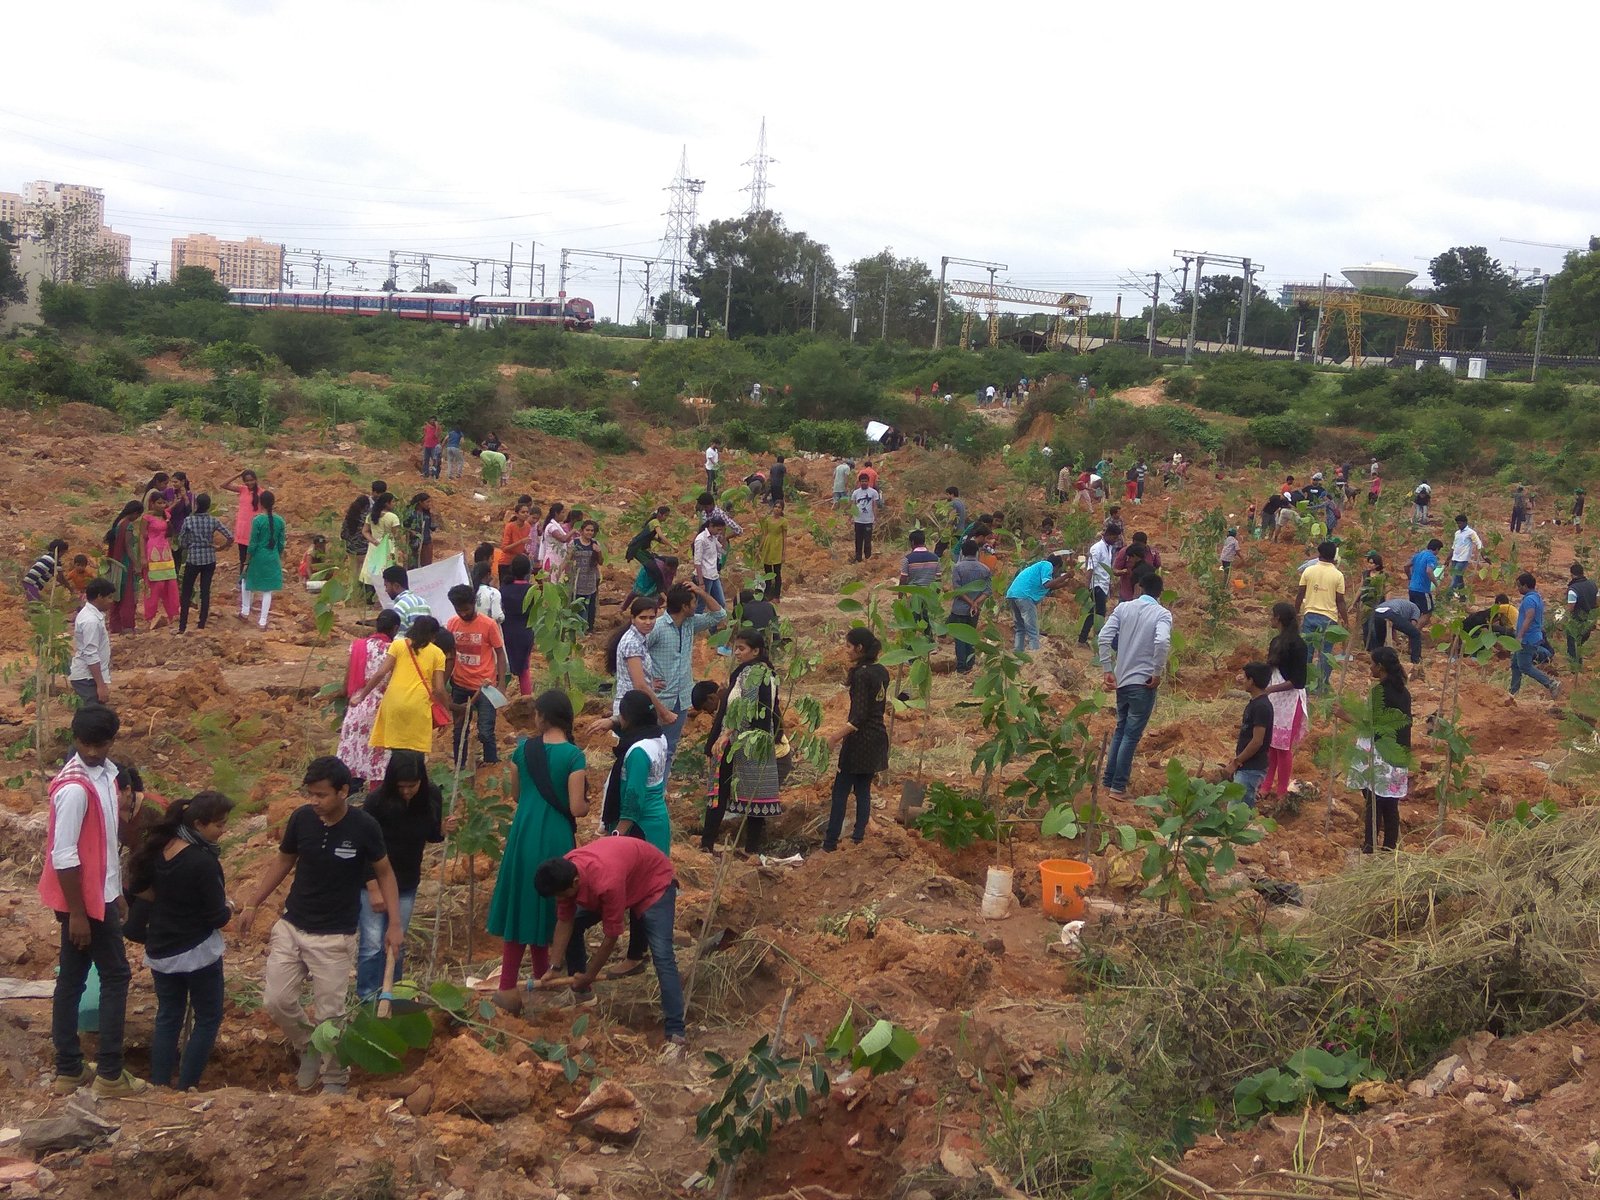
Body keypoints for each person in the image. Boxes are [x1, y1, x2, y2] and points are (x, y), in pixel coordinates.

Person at [237, 757, 403, 1094]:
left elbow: (384, 872)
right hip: (293, 925)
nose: (314, 802)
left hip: (335, 936)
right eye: (310, 794)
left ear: (344, 792)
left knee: (332, 1014)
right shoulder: (301, 819)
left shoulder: (364, 827)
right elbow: (284, 860)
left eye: (321, 795)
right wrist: (253, 902)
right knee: (276, 1001)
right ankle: (307, 1044)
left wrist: (394, 924)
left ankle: (334, 1079)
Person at [42, 705, 147, 1098]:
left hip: (97, 895)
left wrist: (115, 890)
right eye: (85, 744)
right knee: (116, 975)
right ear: (75, 738)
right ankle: (109, 1074)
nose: (91, 751)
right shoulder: (72, 788)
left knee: (71, 976)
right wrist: (79, 915)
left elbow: (102, 840)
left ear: (110, 742)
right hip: (81, 902)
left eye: (99, 744)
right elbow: (63, 854)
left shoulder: (107, 775)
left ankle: (69, 1068)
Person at [126, 790, 234, 1090]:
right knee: (208, 1017)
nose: (223, 830)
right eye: (219, 824)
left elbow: (141, 891)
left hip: (161, 949)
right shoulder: (203, 862)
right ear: (199, 824)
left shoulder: (161, 850)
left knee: (168, 1016)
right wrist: (230, 908)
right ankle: (187, 1085)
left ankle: (159, 1083)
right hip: (198, 951)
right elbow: (217, 917)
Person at [489, 690, 589, 1012]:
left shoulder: (522, 751)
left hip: (524, 832)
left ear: (541, 717)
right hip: (556, 837)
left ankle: (507, 986)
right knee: (553, 909)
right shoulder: (574, 756)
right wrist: (587, 801)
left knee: (522, 904)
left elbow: (517, 796)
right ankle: (543, 982)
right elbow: (577, 808)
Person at [532, 839, 683, 1044]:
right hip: (623, 875)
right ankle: (581, 993)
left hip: (653, 882)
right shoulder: (565, 870)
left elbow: (611, 935)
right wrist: (554, 966)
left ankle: (676, 1031)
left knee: (663, 956)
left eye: (560, 895)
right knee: (575, 924)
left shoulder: (606, 882)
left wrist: (590, 974)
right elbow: (565, 920)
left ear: (575, 883)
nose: (560, 899)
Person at [357, 752, 451, 999]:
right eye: (401, 787)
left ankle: (391, 994)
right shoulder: (377, 802)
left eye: (412, 786)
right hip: (373, 881)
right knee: (372, 944)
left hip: (406, 881)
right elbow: (363, 847)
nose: (407, 792)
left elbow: (431, 834)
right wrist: (373, 887)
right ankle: (367, 997)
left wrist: (443, 830)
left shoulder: (431, 796)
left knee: (396, 942)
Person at [701, 630, 782, 854]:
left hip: (741, 741)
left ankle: (707, 845)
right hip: (761, 740)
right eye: (735, 648)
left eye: (741, 649)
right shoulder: (767, 672)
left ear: (755, 651)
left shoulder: (752, 672)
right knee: (756, 795)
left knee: (719, 790)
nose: (736, 653)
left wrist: (726, 734)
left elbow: (744, 708)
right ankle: (751, 850)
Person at [1097, 572, 1172, 798]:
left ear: (1139, 588)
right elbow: (1162, 640)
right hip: (1143, 683)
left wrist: (1107, 669)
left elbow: (1103, 637)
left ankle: (1108, 781)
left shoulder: (1123, 609)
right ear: (1160, 593)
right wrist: (1156, 672)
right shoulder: (1162, 614)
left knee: (1121, 730)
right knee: (1130, 735)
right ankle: (1118, 787)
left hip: (1122, 680)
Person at [646, 582, 726, 768]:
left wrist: (700, 592)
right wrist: (647, 679)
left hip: (681, 699)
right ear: (684, 607)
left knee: (669, 749)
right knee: (650, 747)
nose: (695, 605)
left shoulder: (690, 623)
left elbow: (719, 614)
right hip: (658, 698)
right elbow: (636, 653)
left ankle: (660, 792)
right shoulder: (657, 628)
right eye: (693, 601)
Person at [824, 627, 889, 851]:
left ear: (859, 648)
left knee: (840, 791)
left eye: (848, 646)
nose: (846, 650)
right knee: (863, 789)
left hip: (860, 741)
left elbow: (859, 716)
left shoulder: (862, 674)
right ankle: (858, 839)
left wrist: (835, 736)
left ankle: (830, 843)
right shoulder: (881, 671)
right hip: (877, 737)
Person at [352, 615, 452, 760]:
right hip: (419, 705)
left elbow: (381, 673)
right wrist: (446, 712)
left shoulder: (398, 645)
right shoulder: (437, 654)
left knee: (396, 753)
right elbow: (440, 689)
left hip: (394, 703)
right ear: (432, 635)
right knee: (416, 754)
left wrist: (362, 695)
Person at [1346, 647, 1412, 853]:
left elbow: (1369, 724)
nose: (1370, 668)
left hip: (1381, 751)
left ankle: (1369, 847)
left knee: (1373, 802)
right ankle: (1389, 848)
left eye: (1372, 664)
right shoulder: (1403, 691)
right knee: (1390, 804)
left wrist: (1343, 715)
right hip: (1398, 751)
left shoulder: (1380, 692)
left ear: (1380, 667)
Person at [447, 582, 509, 767]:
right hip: (459, 684)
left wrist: (501, 684)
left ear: (474, 603)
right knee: (459, 730)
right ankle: (460, 765)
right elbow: (448, 654)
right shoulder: (452, 624)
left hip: (485, 687)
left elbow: (499, 652)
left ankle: (491, 764)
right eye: (459, 610)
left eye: (466, 609)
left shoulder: (488, 625)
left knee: (486, 731)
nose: (463, 614)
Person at [339, 610, 402, 790]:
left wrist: (350, 699)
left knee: (353, 752)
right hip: (382, 706)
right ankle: (376, 793)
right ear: (395, 628)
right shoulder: (394, 650)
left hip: (358, 703)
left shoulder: (358, 646)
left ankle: (350, 791)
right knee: (379, 756)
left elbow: (347, 679)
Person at [1262, 602, 1309, 804]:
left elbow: (1298, 681)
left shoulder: (1298, 645)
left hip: (1289, 700)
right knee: (1272, 746)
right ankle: (1265, 786)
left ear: (1278, 619)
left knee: (1283, 748)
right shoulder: (1276, 642)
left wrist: (1271, 689)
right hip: (1275, 697)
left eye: (1272, 616)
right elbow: (1269, 669)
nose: (1270, 619)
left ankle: (1281, 791)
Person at [608, 597, 675, 726]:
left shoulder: (639, 638)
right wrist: (664, 712)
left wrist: (649, 682)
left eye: (652, 618)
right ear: (633, 619)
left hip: (636, 704)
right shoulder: (632, 643)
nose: (648, 622)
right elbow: (639, 685)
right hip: (631, 708)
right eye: (643, 618)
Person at [1297, 541, 1349, 693]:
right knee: (1325, 654)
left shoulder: (1309, 571)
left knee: (1306, 652)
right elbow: (1340, 601)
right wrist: (1345, 620)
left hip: (1309, 615)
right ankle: (1321, 686)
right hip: (1329, 619)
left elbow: (1300, 594)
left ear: (1319, 553)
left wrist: (1295, 613)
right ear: (1334, 556)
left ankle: (1304, 685)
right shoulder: (1338, 575)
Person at [1006, 551, 1073, 654]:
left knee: (1020, 628)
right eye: (1058, 569)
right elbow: (1047, 585)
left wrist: (1065, 584)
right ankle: (1035, 655)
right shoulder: (1047, 565)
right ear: (1056, 566)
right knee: (1033, 630)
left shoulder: (1039, 568)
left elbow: (1049, 587)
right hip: (1025, 596)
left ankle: (1018, 653)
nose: (1056, 572)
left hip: (1013, 594)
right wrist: (1065, 576)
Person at [1228, 663, 1275, 808]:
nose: (1242, 680)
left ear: (1252, 681)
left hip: (1251, 768)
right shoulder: (1256, 704)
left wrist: (1237, 761)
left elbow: (1257, 741)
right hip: (1247, 766)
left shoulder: (1261, 707)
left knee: (1238, 811)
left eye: (1245, 677)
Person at [237, 490, 285, 630]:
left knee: (246, 580)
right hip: (273, 556)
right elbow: (281, 543)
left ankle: (245, 611)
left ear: (260, 503)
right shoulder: (280, 521)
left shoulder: (257, 520)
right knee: (267, 590)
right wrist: (277, 554)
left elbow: (252, 544)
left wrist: (247, 560)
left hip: (258, 556)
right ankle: (262, 621)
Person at [1511, 572, 1559, 699]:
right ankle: (1512, 693)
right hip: (1532, 636)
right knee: (1515, 665)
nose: (1518, 589)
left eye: (1519, 586)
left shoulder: (1529, 600)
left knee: (1525, 667)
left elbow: (1529, 617)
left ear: (1526, 586)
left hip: (1527, 639)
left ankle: (1551, 683)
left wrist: (1520, 636)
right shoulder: (1536, 596)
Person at [68, 579, 117, 705]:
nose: (111, 602)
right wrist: (100, 685)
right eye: (109, 597)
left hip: (88, 677)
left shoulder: (91, 615)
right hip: (87, 678)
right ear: (99, 597)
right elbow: (91, 653)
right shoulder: (91, 621)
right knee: (93, 717)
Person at [948, 539, 992, 674]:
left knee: (960, 638)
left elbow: (957, 590)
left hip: (960, 609)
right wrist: (976, 603)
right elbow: (987, 591)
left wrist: (969, 602)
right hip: (975, 610)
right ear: (977, 552)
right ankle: (970, 664)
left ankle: (961, 667)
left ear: (963, 552)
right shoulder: (985, 569)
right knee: (971, 636)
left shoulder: (958, 567)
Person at [104, 501, 144, 634]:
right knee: (127, 595)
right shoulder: (128, 526)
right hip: (125, 564)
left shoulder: (119, 523)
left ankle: (115, 626)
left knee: (117, 595)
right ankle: (127, 625)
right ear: (135, 513)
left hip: (116, 563)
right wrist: (136, 565)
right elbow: (128, 547)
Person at [500, 555, 536, 695]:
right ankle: (527, 700)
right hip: (525, 632)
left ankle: (500, 699)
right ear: (528, 571)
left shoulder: (503, 589)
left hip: (506, 631)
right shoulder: (532, 590)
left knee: (504, 666)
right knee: (524, 669)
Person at [1078, 530, 1116, 646]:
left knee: (1095, 613)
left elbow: (1106, 567)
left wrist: (1109, 583)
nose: (1115, 541)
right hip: (1096, 585)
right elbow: (1091, 567)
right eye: (1114, 538)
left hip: (1103, 584)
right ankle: (1092, 639)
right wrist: (1087, 585)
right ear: (1108, 535)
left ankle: (1084, 639)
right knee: (1099, 614)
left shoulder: (1109, 548)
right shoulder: (1097, 548)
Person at [564, 520, 603, 631]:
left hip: (591, 578)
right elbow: (568, 560)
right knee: (577, 603)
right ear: (582, 531)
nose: (590, 533)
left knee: (590, 605)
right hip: (577, 579)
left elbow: (601, 562)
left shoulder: (595, 544)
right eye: (587, 530)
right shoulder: (574, 543)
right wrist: (562, 574)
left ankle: (589, 628)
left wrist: (599, 552)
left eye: (592, 531)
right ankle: (576, 628)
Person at [222, 469, 263, 574]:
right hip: (242, 529)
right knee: (243, 558)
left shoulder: (262, 493)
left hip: (254, 529)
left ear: (256, 479)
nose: (249, 483)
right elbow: (223, 484)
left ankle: (253, 580)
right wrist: (239, 474)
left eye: (251, 480)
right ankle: (243, 581)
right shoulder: (242, 489)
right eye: (246, 480)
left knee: (254, 557)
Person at [360, 493, 403, 590]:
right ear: (387, 504)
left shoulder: (371, 516)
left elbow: (365, 531)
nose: (394, 504)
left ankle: (369, 592)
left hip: (375, 545)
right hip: (389, 544)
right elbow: (397, 535)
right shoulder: (393, 517)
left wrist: (374, 541)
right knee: (387, 567)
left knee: (372, 567)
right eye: (393, 502)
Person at [1368, 596, 1424, 665]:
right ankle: (1416, 660)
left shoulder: (1403, 604)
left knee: (1380, 642)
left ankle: (1377, 661)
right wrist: (1407, 640)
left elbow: (1392, 627)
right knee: (1415, 634)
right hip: (1390, 612)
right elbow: (1413, 626)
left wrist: (1398, 642)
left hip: (1376, 612)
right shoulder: (1417, 609)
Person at [753, 502, 788, 601]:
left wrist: (784, 553)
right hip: (768, 546)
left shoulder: (783, 521)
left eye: (779, 507)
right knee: (767, 572)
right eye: (775, 506)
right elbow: (765, 534)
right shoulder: (768, 520)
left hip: (777, 547)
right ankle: (767, 594)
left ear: (782, 510)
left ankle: (777, 596)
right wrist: (759, 549)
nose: (777, 509)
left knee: (777, 573)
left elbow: (785, 538)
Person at [692, 515, 728, 612]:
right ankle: (696, 626)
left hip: (713, 574)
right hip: (705, 576)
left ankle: (714, 627)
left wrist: (723, 537)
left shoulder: (713, 538)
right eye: (718, 529)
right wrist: (701, 582)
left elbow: (723, 551)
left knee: (720, 603)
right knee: (701, 604)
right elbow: (697, 562)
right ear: (711, 526)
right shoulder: (701, 539)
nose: (719, 532)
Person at [382, 565, 431, 634]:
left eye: (386, 586)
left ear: (396, 586)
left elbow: (399, 636)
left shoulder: (400, 606)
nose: (386, 590)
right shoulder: (423, 602)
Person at [1566, 563, 1598, 669]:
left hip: (1577, 622)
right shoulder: (1593, 585)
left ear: (1571, 574)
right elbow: (1598, 602)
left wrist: (1563, 619)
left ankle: (1575, 669)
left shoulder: (1573, 589)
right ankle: (1578, 665)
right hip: (1589, 621)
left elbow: (1570, 607)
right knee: (1579, 643)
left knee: (1573, 644)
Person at [495, 501, 537, 580]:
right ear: (517, 514)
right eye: (523, 512)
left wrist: (525, 552)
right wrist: (521, 541)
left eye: (527, 512)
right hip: (506, 563)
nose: (526, 514)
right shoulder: (510, 526)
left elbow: (520, 547)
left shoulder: (527, 526)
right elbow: (504, 548)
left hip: (518, 564)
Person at [1407, 538, 1443, 624]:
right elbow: (1429, 571)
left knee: (1415, 612)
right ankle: (1415, 633)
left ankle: (1410, 632)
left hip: (1412, 588)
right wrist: (1436, 584)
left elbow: (1406, 566)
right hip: (1422, 590)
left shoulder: (1418, 555)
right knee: (1428, 613)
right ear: (1437, 549)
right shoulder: (1432, 557)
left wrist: (1410, 577)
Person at [850, 474, 882, 562]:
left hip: (868, 520)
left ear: (868, 481)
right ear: (859, 482)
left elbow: (874, 506)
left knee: (867, 540)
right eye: (862, 481)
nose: (864, 483)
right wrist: (852, 517)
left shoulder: (873, 492)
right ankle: (858, 558)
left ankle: (868, 558)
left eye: (865, 481)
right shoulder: (856, 493)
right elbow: (853, 505)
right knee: (858, 540)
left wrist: (875, 518)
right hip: (858, 520)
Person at [403, 493, 441, 569]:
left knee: (426, 566)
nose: (429, 504)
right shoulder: (410, 514)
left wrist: (434, 518)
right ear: (420, 502)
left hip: (426, 542)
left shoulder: (427, 514)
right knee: (412, 565)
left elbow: (432, 528)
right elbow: (403, 527)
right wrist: (411, 531)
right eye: (427, 502)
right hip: (413, 543)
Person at [541, 503, 574, 577]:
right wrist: (573, 531)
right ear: (556, 513)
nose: (564, 514)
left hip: (559, 558)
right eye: (562, 512)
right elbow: (563, 539)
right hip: (552, 558)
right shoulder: (551, 527)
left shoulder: (557, 526)